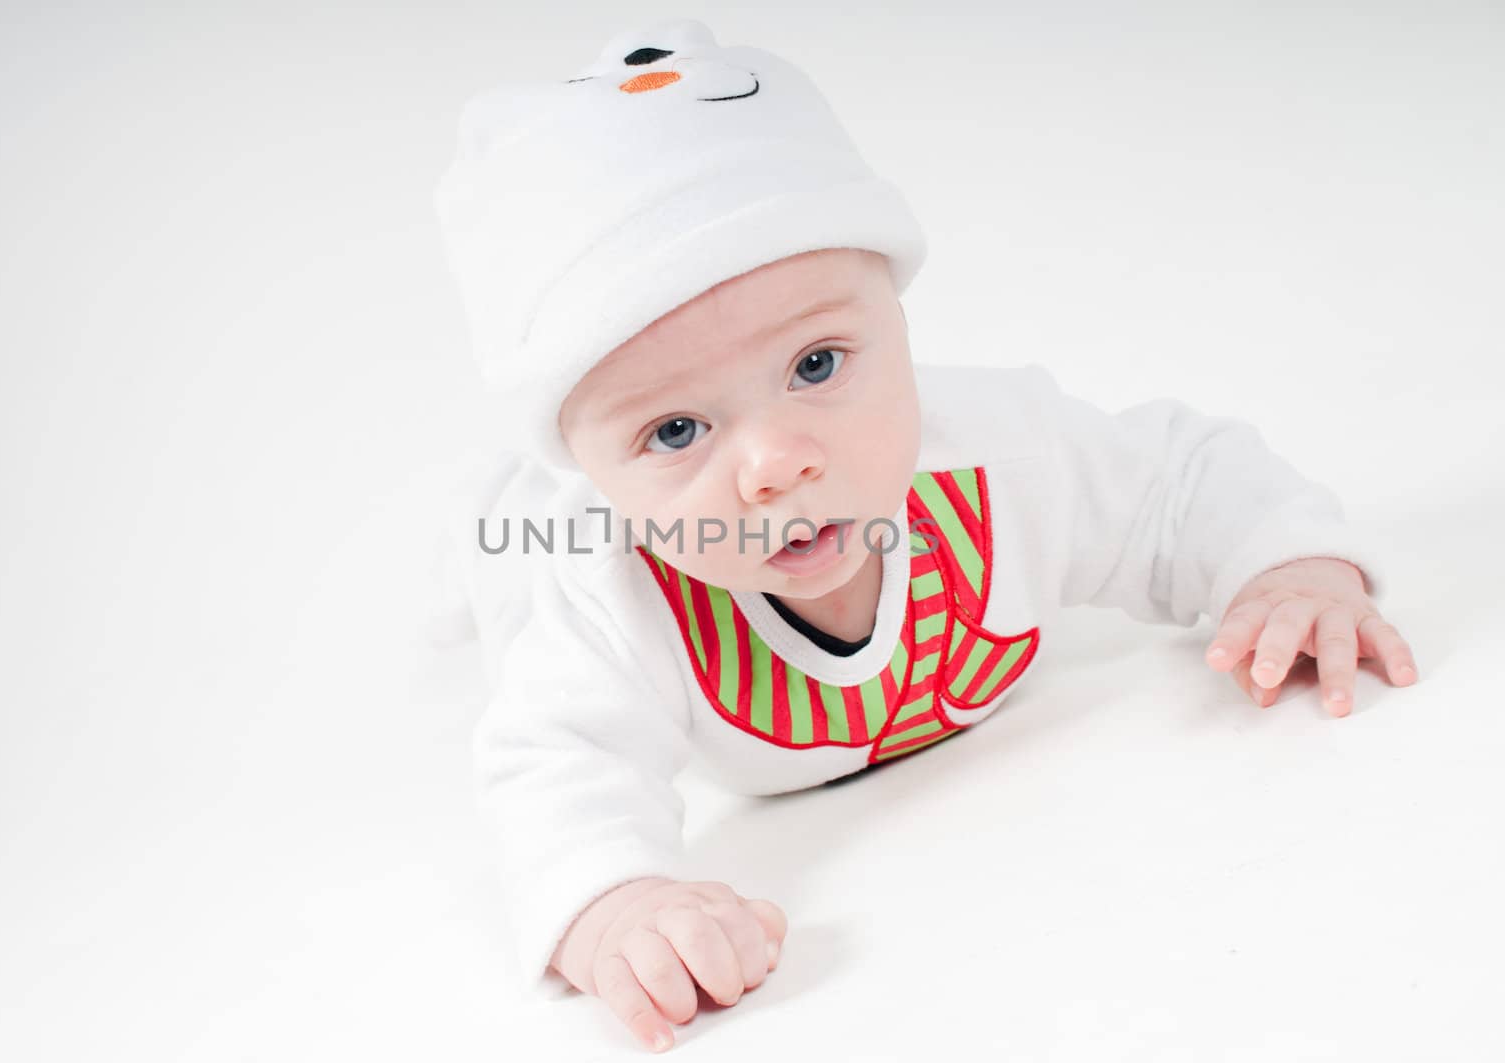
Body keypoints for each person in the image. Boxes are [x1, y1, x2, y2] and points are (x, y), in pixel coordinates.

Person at [431, 18, 1420, 1054]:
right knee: (510, 564)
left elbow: (1174, 479)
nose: (776, 462)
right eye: (675, 429)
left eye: (816, 364)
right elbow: (555, 759)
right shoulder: (608, 589)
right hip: (541, 545)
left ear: (897, 319)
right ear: (591, 463)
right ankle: (485, 513)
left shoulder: (1004, 454)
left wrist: (1284, 563)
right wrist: (613, 900)